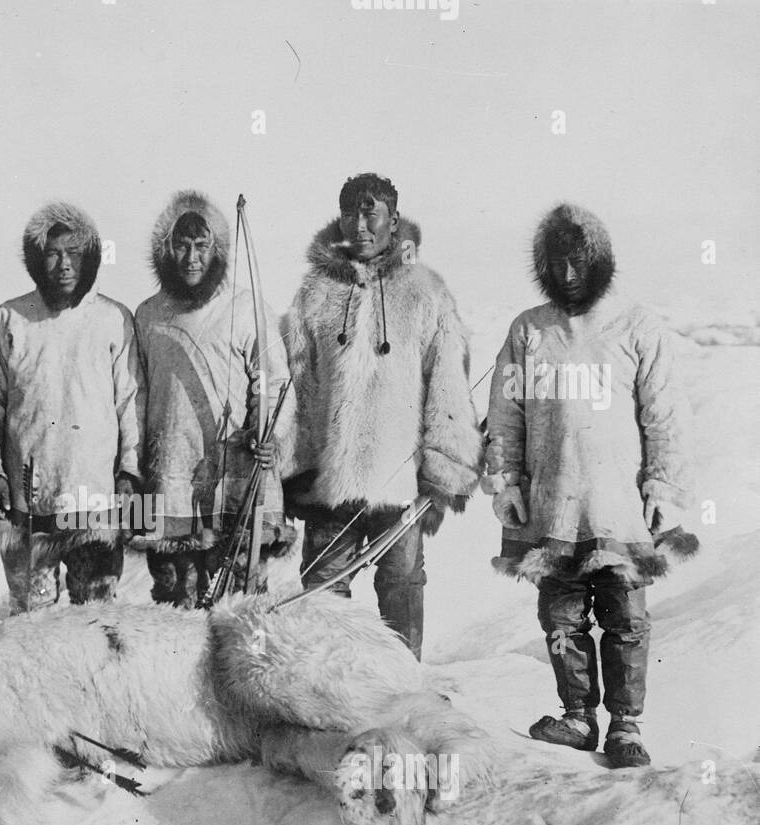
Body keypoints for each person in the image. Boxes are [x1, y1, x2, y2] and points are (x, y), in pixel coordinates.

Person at [483, 203, 698, 766]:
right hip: (552, 503)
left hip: (619, 503)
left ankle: (627, 727)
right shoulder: (528, 331)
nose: (569, 273)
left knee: (625, 616)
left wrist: (661, 485)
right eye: (557, 263)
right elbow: (506, 414)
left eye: (579, 260)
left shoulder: (636, 325)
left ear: (599, 259)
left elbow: (664, 415)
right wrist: (506, 481)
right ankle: (578, 717)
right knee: (560, 614)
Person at [281, 173, 482, 659]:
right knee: (324, 595)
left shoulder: (426, 293)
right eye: (351, 212)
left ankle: (403, 689)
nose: (361, 224)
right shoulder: (316, 294)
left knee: (402, 589)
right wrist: (295, 467)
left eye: (372, 212)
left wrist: (442, 470)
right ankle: (329, 692)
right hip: (333, 483)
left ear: (394, 219)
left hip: (399, 482)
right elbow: (298, 385)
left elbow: (448, 386)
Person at [0, 201, 143, 612]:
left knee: (96, 614)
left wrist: (131, 472)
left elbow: (132, 401)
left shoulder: (113, 318)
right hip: (29, 500)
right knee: (31, 618)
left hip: (93, 498)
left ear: (91, 259)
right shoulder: (10, 319)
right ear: (36, 259)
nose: (64, 265)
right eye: (52, 253)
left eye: (74, 254)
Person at [133, 190, 296, 605]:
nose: (191, 258)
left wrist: (269, 436)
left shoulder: (245, 307)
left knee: (238, 601)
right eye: (182, 246)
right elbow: (136, 395)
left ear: (217, 249)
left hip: (235, 478)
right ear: (166, 249)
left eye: (202, 246)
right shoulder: (149, 314)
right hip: (170, 476)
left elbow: (273, 382)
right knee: (175, 600)